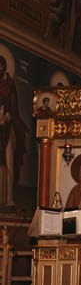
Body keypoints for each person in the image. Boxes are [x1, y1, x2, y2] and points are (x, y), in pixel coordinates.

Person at [0, 56, 27, 207]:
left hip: (7, 127)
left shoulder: (10, 85)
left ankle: (9, 197)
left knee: (9, 161)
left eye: (1, 66)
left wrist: (8, 117)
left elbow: (14, 108)